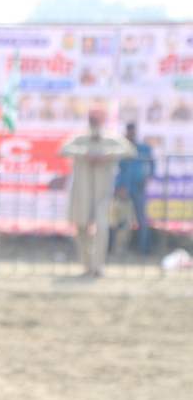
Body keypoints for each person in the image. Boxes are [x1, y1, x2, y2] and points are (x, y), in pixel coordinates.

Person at [59, 110, 135, 277]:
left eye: (96, 119)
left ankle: (98, 266)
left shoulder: (110, 138)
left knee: (101, 226)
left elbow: (130, 150)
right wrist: (83, 153)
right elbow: (63, 149)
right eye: (91, 119)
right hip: (81, 192)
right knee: (81, 226)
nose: (93, 122)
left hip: (102, 193)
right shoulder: (80, 137)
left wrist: (106, 154)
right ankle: (87, 266)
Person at [114, 122, 155, 255]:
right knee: (121, 220)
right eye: (129, 132)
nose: (131, 134)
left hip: (138, 187)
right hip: (124, 187)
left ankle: (144, 250)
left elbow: (153, 163)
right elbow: (117, 169)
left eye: (133, 132)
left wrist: (148, 177)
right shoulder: (122, 148)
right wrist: (119, 186)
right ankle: (119, 250)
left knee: (141, 219)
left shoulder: (143, 148)